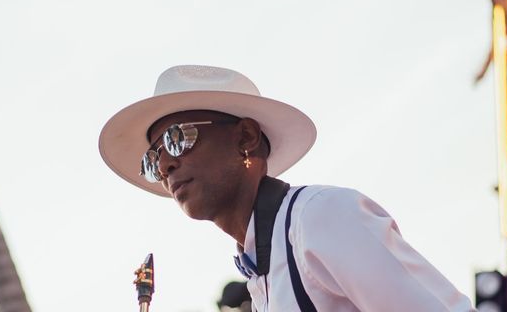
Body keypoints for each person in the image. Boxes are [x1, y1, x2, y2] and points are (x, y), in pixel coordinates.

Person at [99, 65, 475, 311]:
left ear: (245, 136)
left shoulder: (320, 217)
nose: (165, 164)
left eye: (178, 138)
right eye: (154, 157)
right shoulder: (261, 272)